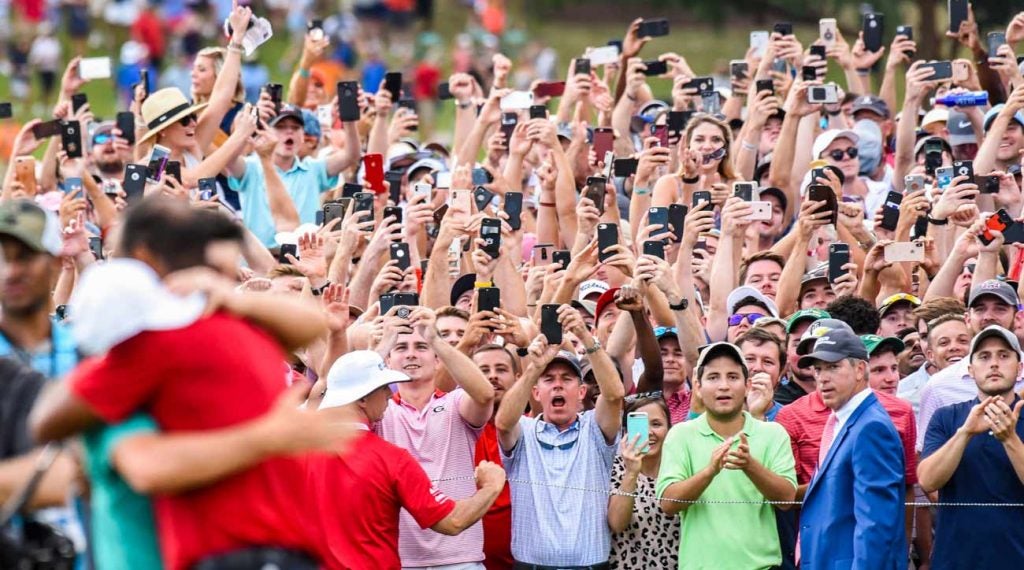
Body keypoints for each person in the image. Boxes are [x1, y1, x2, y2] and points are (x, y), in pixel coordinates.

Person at [311, 350, 507, 569]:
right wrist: (490, 487)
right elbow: (453, 521)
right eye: (383, 387)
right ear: (363, 398)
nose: (388, 394)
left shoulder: (298, 453)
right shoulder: (391, 458)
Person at [495, 304, 624, 568]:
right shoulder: (526, 432)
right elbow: (503, 423)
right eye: (548, 379)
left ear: (581, 392)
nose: (557, 384)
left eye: (567, 378)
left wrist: (585, 337)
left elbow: (614, 395)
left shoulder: (594, 429)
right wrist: (534, 367)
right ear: (535, 392)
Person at [656, 342, 797, 569]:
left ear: (747, 385)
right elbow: (669, 504)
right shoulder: (681, 435)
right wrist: (709, 472)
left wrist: (750, 465)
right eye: (713, 377)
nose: (723, 386)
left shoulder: (773, 433)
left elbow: (786, 500)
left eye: (732, 377)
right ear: (699, 388)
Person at [797, 328, 907, 570]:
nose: (823, 378)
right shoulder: (846, 421)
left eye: (833, 367)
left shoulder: (871, 427)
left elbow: (876, 524)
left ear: (859, 370)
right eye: (818, 370)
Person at [918, 326, 1024, 570]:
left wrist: (1010, 438)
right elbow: (928, 481)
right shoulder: (946, 417)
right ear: (970, 369)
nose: (994, 364)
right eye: (984, 357)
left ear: (1019, 368)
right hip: (956, 559)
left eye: (1004, 355)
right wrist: (965, 433)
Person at [607, 396, 679, 569]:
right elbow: (617, 524)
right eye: (640, 425)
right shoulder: (615, 468)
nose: (648, 432)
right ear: (626, 433)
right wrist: (632, 472)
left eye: (656, 424)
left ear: (670, 428)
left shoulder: (679, 468)